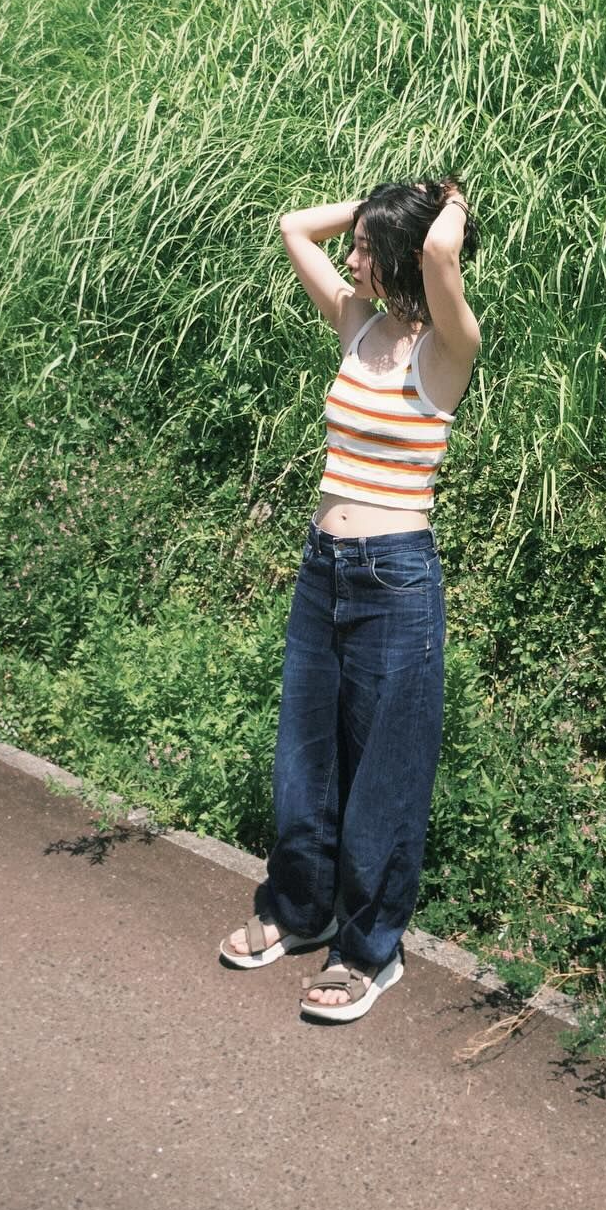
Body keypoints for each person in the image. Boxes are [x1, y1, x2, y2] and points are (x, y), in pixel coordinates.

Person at [220, 175, 481, 1021]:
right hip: (322, 565)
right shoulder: (356, 323)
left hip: (395, 578)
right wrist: (373, 204)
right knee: (306, 751)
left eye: (368, 249)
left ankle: (370, 951)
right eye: (358, 246)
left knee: (385, 772)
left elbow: (443, 254)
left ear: (404, 258)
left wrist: (449, 201)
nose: (354, 259)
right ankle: (300, 910)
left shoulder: (448, 347)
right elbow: (294, 226)